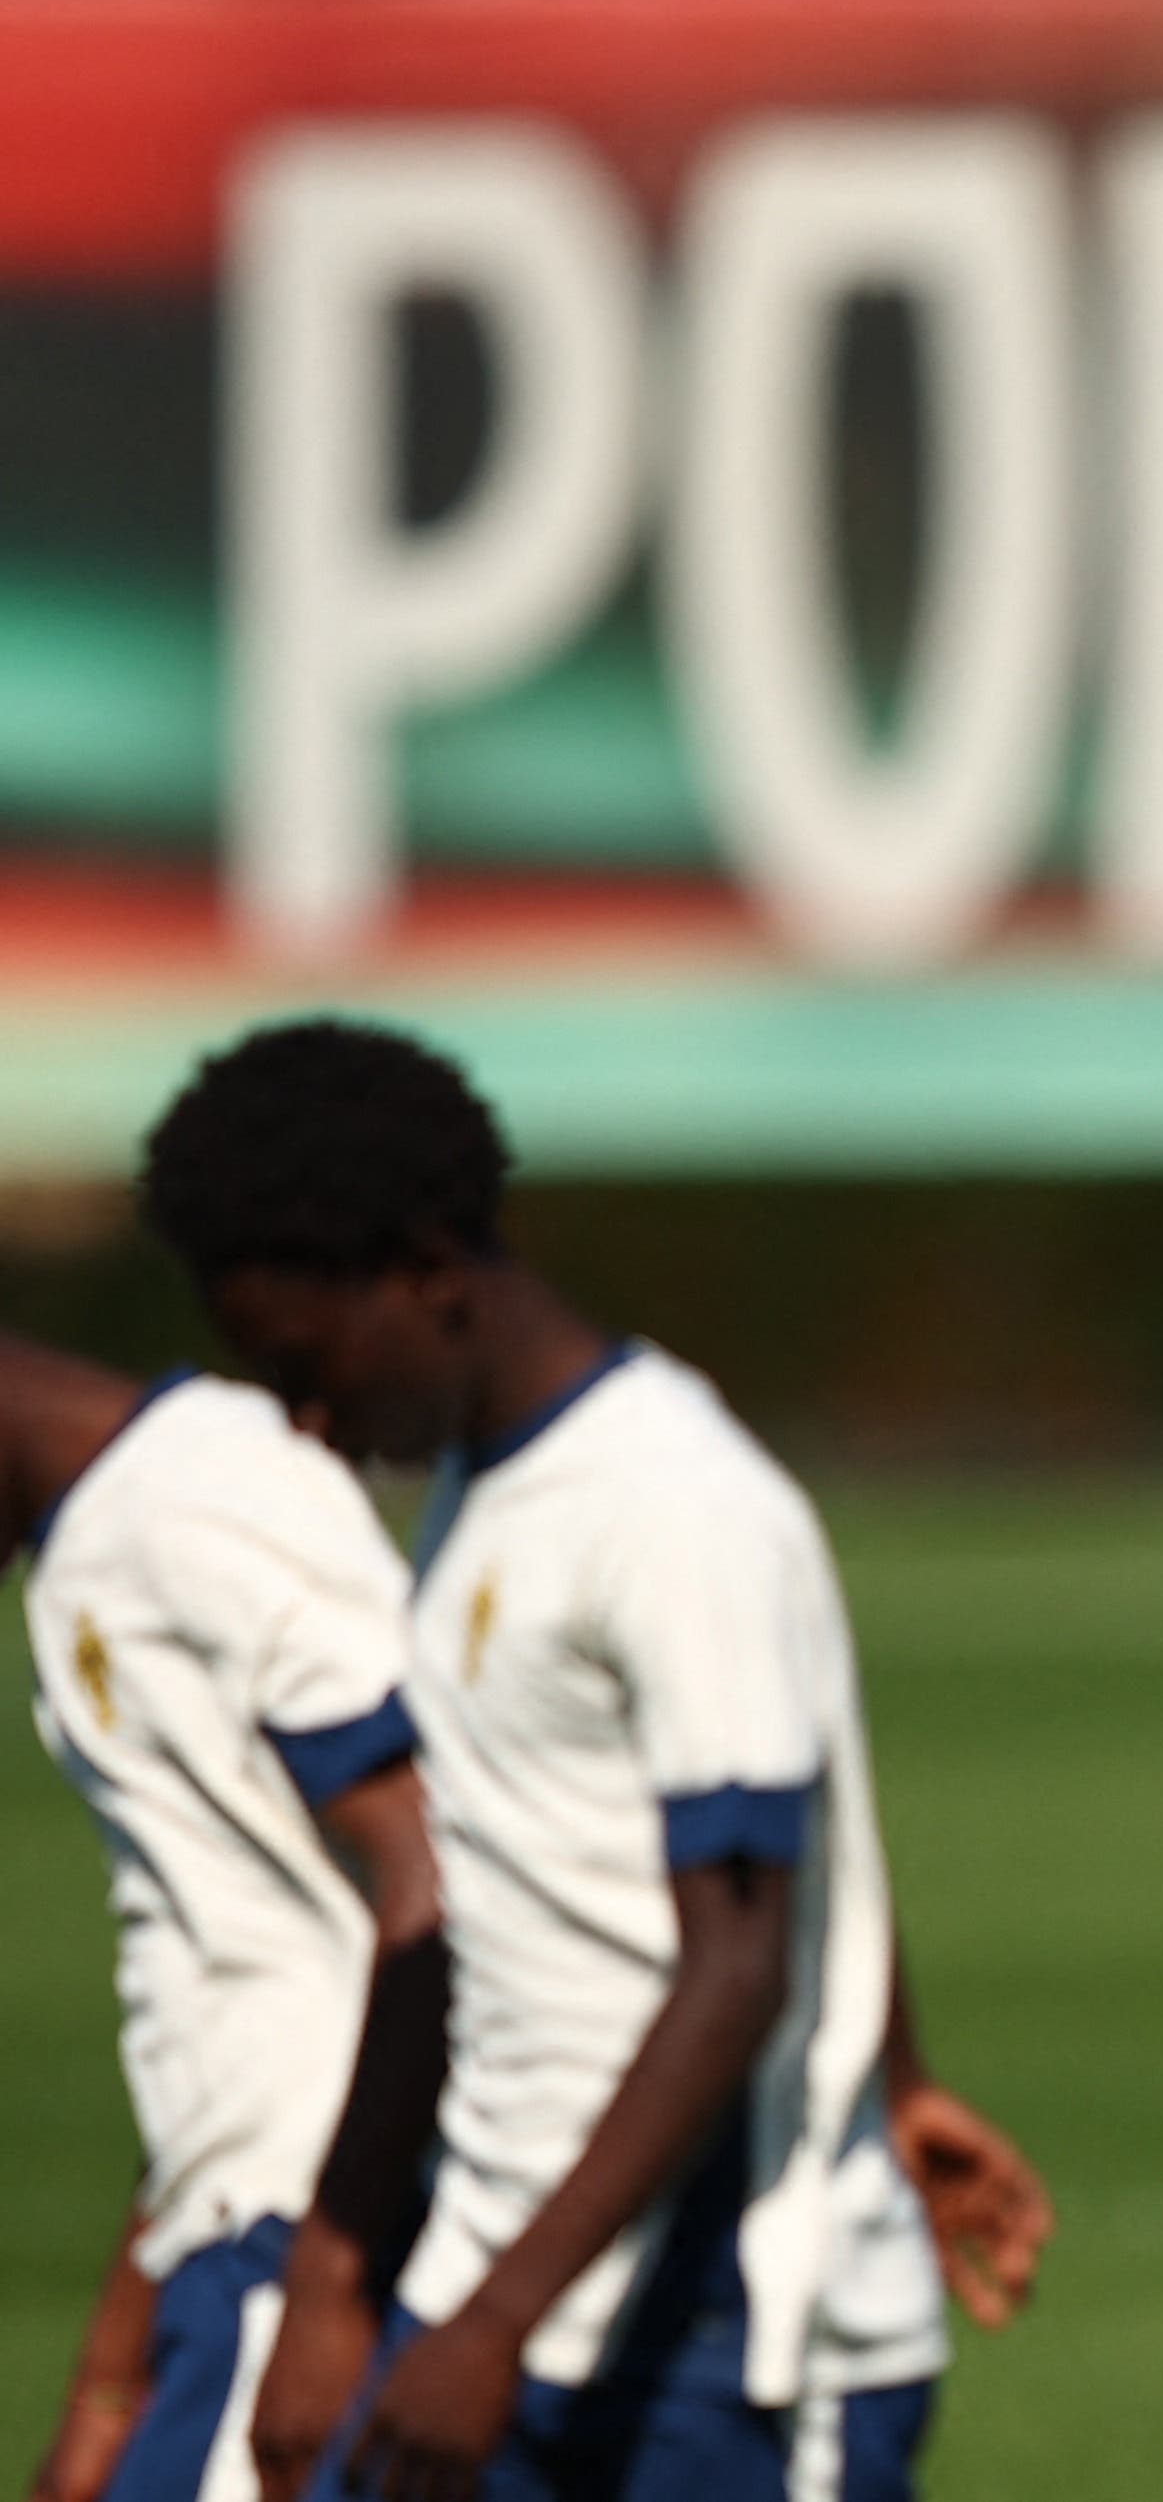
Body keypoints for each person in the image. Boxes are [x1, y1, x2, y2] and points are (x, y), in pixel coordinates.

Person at [130, 1019, 1045, 2502]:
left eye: (306, 1363)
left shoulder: (672, 1503)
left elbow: (739, 1953)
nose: (305, 1419)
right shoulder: (480, 1501)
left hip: (734, 2350)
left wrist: (489, 2320)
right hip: (502, 2297)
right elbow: (500, 1888)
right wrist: (341, 2274)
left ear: (428, 1269)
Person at [7, 1330, 441, 2502]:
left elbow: (439, 1867)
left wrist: (322, 2291)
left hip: (300, 2242)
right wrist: (110, 2375)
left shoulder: (198, 1509)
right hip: (242, 2241)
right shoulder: (121, 1523)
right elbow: (237, 1972)